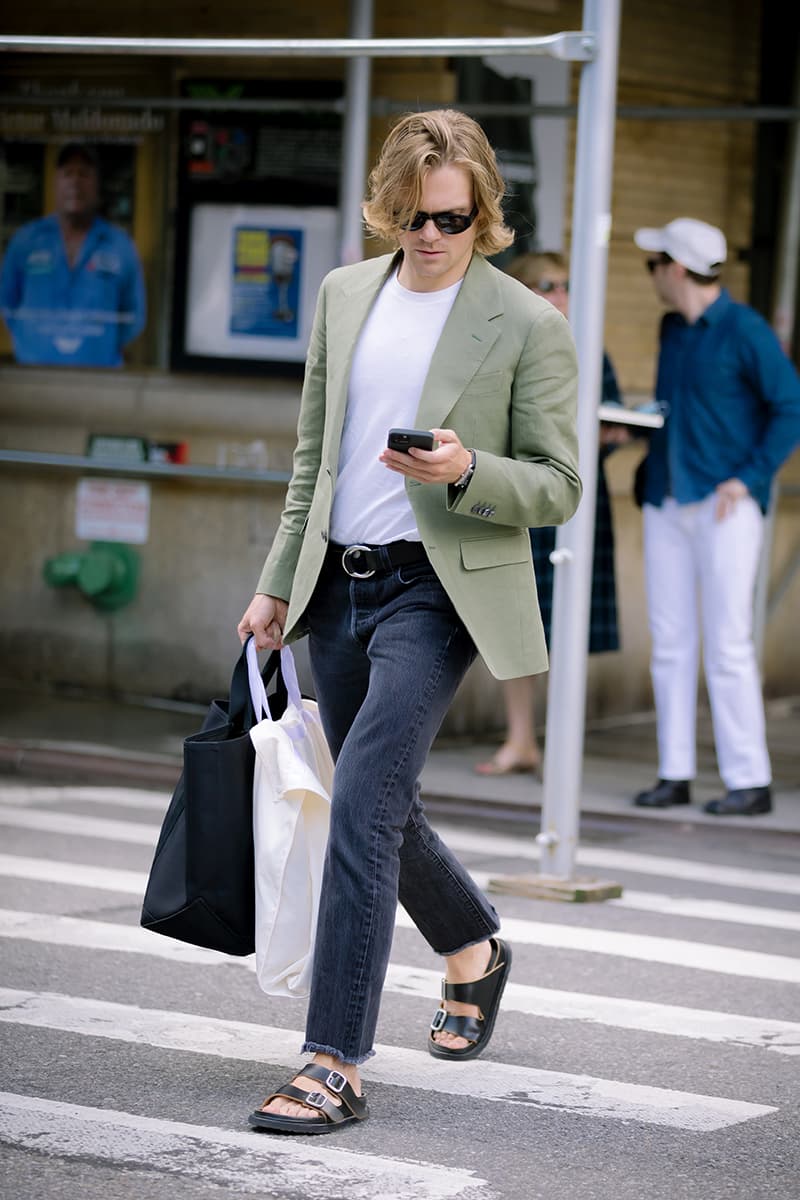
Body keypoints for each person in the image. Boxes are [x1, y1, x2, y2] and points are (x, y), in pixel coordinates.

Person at [237, 108, 581, 1135]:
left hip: (438, 591)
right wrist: (274, 585)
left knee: (361, 809)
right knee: (370, 795)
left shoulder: (526, 323)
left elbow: (560, 485)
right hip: (337, 585)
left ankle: (332, 1059)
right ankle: (472, 940)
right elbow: (313, 460)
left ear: (482, 213)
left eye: (452, 218)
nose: (431, 236)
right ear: (388, 210)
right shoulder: (346, 295)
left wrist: (466, 468)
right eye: (413, 218)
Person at [632, 217, 800, 816]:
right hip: (667, 499)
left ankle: (750, 781)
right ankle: (674, 772)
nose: (650, 273)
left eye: (655, 264)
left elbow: (791, 407)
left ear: (676, 268)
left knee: (727, 643)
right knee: (670, 642)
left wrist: (748, 477)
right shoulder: (672, 328)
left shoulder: (745, 330)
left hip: (726, 508)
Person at [475, 251, 630, 777]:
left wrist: (612, 437)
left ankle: (561, 744)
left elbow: (608, 415)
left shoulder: (587, 348)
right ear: (520, 289)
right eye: (548, 283)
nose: (560, 294)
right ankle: (520, 738)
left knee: (570, 626)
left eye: (566, 284)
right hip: (519, 496)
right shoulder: (499, 344)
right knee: (520, 626)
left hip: (577, 503)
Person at [0, 142, 146, 366]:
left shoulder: (119, 245)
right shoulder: (26, 240)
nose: (75, 181)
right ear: (55, 183)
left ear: (96, 184)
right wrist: (33, 343)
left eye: (84, 174)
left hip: (101, 381)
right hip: (34, 378)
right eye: (67, 173)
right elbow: (7, 303)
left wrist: (99, 346)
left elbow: (133, 316)